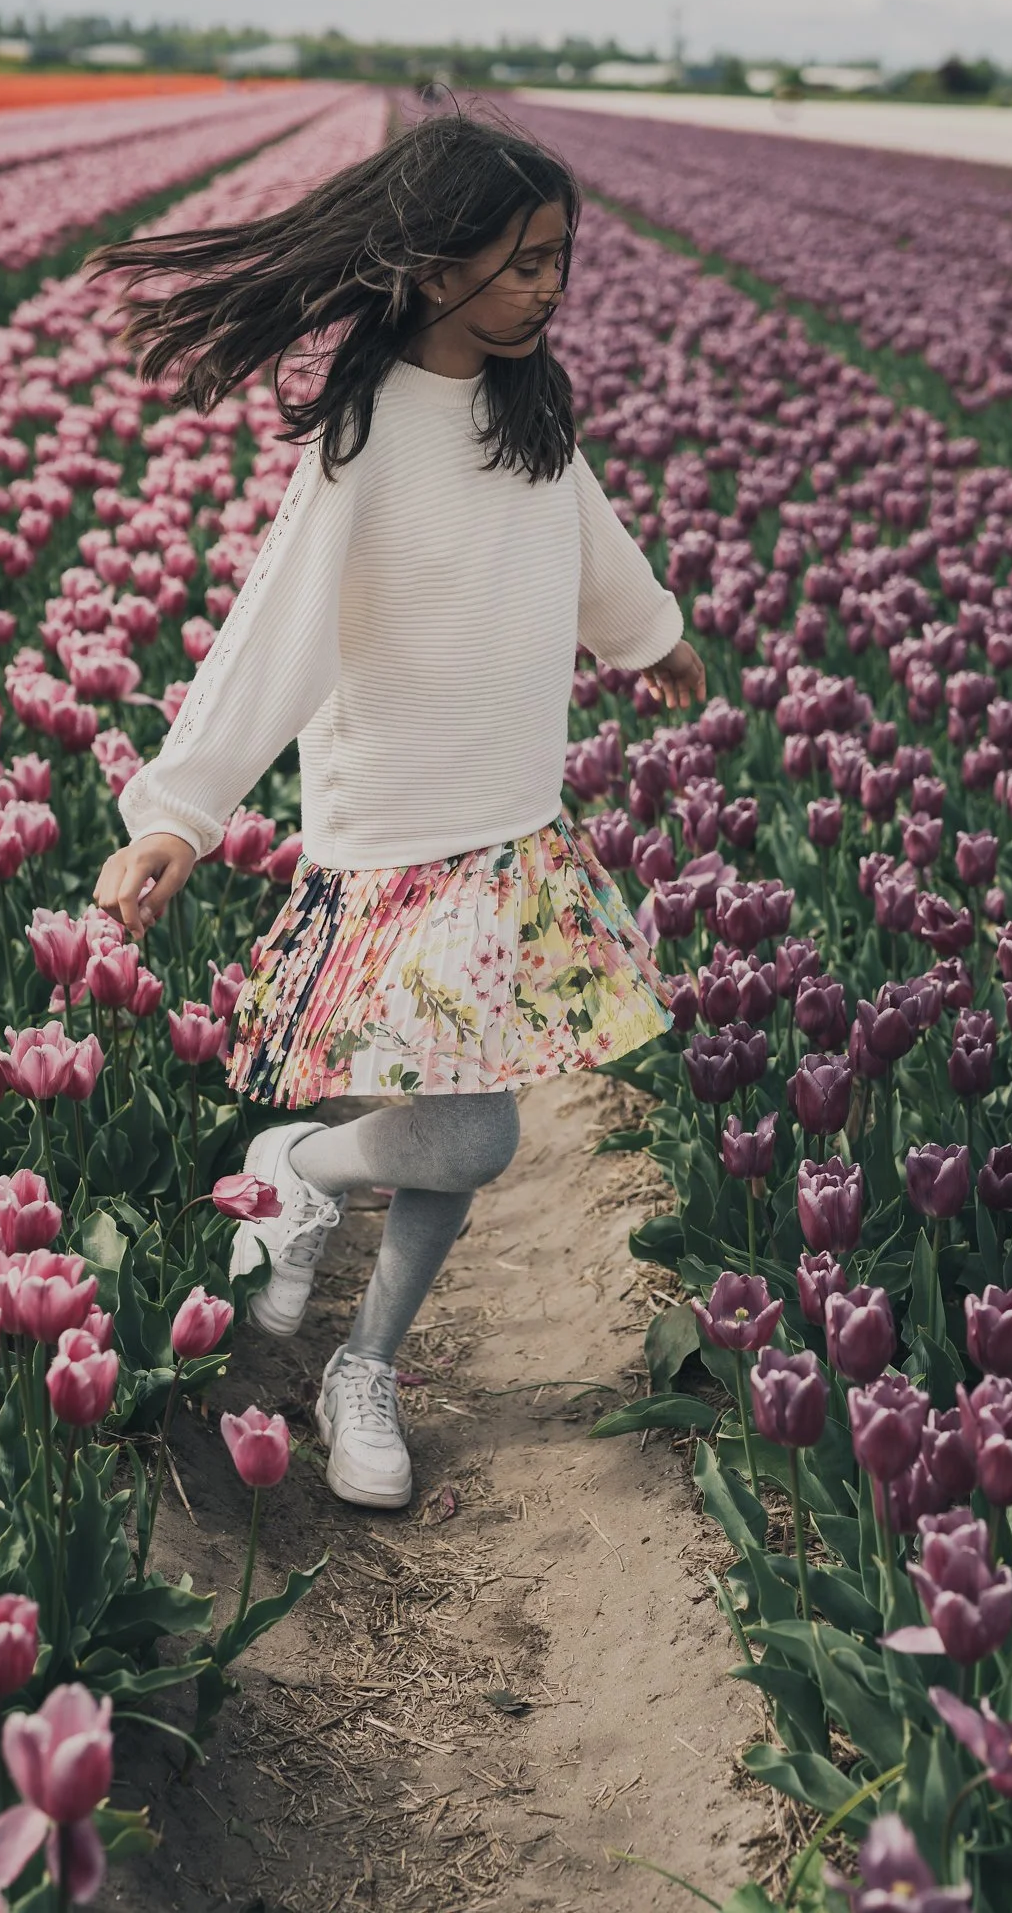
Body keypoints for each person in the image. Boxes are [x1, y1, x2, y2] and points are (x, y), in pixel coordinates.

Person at [90, 106, 706, 1510]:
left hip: (512, 830)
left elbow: (589, 540)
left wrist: (650, 636)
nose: (549, 288)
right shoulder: (364, 443)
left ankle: (363, 1361)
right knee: (469, 1133)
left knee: (459, 1127)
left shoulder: (529, 416)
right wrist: (178, 812)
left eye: (561, 261)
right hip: (391, 840)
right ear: (432, 269)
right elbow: (274, 632)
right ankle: (295, 1162)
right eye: (521, 263)